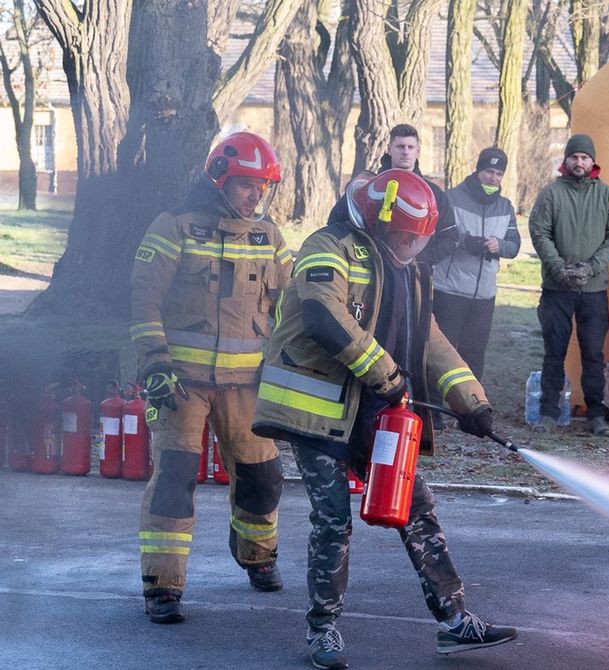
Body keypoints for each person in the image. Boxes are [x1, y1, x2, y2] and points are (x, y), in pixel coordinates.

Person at [252, 169, 516, 668]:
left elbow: (430, 340)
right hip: (315, 411)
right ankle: (322, 631)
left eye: (418, 240)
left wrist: (470, 401)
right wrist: (386, 373)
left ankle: (455, 622)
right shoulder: (328, 247)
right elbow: (322, 313)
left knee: (417, 508)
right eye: (402, 237)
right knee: (333, 520)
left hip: (376, 413)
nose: (410, 247)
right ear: (375, 222)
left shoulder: (412, 271)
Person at [130, 131, 292, 624]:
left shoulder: (271, 238)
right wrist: (155, 361)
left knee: (263, 478)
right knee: (175, 479)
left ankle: (258, 557)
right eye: (247, 185)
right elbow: (143, 299)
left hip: (248, 387)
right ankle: (163, 586)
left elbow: (294, 305)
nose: (255, 196)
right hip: (180, 382)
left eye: (263, 187)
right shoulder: (174, 227)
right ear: (220, 179)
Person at [528, 133, 609, 436]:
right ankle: (548, 413)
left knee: (593, 354)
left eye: (585, 157)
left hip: (594, 290)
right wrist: (558, 268)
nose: (579, 162)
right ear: (566, 160)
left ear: (593, 161)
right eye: (574, 157)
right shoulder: (550, 194)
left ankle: (596, 414)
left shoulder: (608, 196)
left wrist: (593, 266)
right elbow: (539, 231)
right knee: (553, 353)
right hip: (557, 290)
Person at [377, 123, 458, 430]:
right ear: (389, 149)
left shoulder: (433, 193)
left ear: (419, 151)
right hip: (377, 281)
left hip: (415, 283)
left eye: (411, 147)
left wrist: (416, 258)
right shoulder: (373, 185)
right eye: (400, 146)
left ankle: (425, 408)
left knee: (417, 343)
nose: (405, 152)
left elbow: (451, 237)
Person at [431, 146, 521, 382]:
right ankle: (436, 411)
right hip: (449, 290)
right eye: (489, 171)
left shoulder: (505, 207)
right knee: (442, 352)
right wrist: (463, 241)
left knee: (474, 354)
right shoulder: (450, 198)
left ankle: (470, 408)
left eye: (499, 174)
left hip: (484, 296)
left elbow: (514, 245)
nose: (493, 178)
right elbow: (434, 236)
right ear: (478, 170)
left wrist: (498, 245)